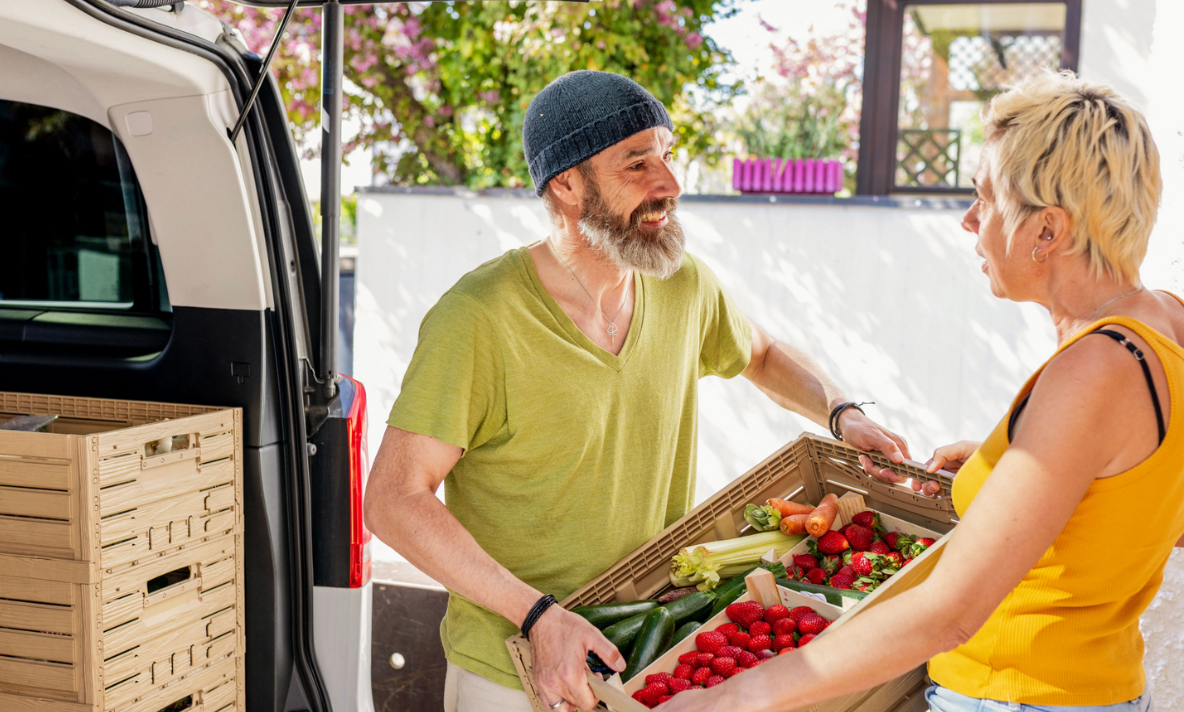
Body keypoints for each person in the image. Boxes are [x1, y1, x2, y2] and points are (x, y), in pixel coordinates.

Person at [362, 70, 911, 712]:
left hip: (649, 662)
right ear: (565, 184)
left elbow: (759, 353)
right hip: (515, 678)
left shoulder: (682, 285)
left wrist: (841, 414)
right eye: (637, 164)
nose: (670, 185)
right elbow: (394, 499)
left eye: (668, 157)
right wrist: (538, 615)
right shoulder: (479, 318)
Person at [661, 71, 1184, 712]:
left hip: (1018, 695)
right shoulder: (1166, 322)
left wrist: (738, 697)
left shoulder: (1093, 372)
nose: (969, 221)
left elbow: (951, 613)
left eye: (985, 200)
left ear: (1047, 231)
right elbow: (1147, 497)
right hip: (1097, 689)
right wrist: (1012, 470)